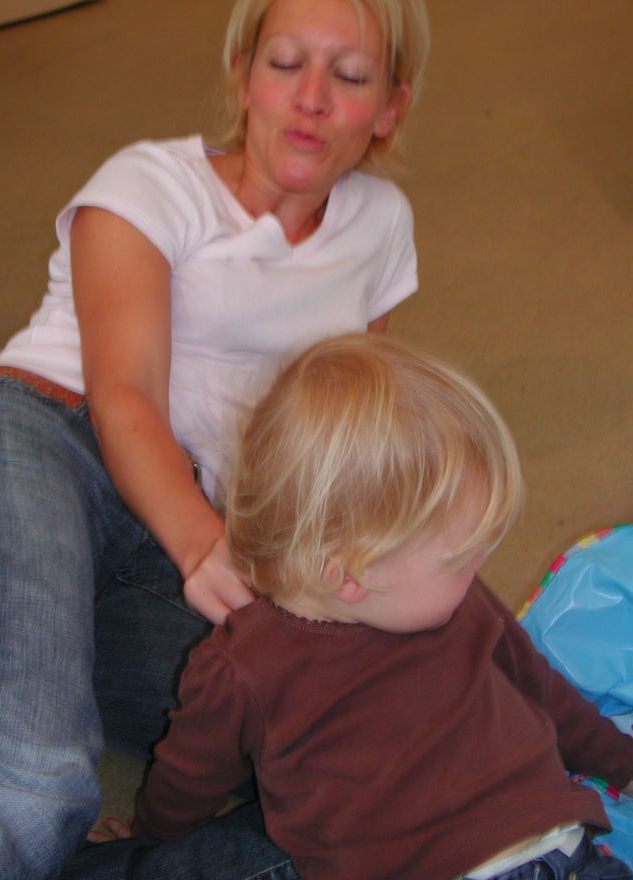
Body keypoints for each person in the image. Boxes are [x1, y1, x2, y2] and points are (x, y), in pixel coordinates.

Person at [0, 0, 430, 880]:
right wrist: (203, 548)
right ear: (243, 76)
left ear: (391, 107)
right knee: (24, 779)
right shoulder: (149, 184)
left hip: (188, 532)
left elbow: (342, 432)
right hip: (41, 442)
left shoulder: (382, 226)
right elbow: (124, 398)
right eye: (285, 64)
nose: (312, 98)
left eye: (351, 75)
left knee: (346, 757)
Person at [123, 332, 633, 880]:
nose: (481, 565)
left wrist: (149, 837)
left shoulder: (239, 663)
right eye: (462, 557)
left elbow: (188, 780)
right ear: (351, 576)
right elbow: (544, 692)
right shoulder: (242, 667)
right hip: (565, 852)